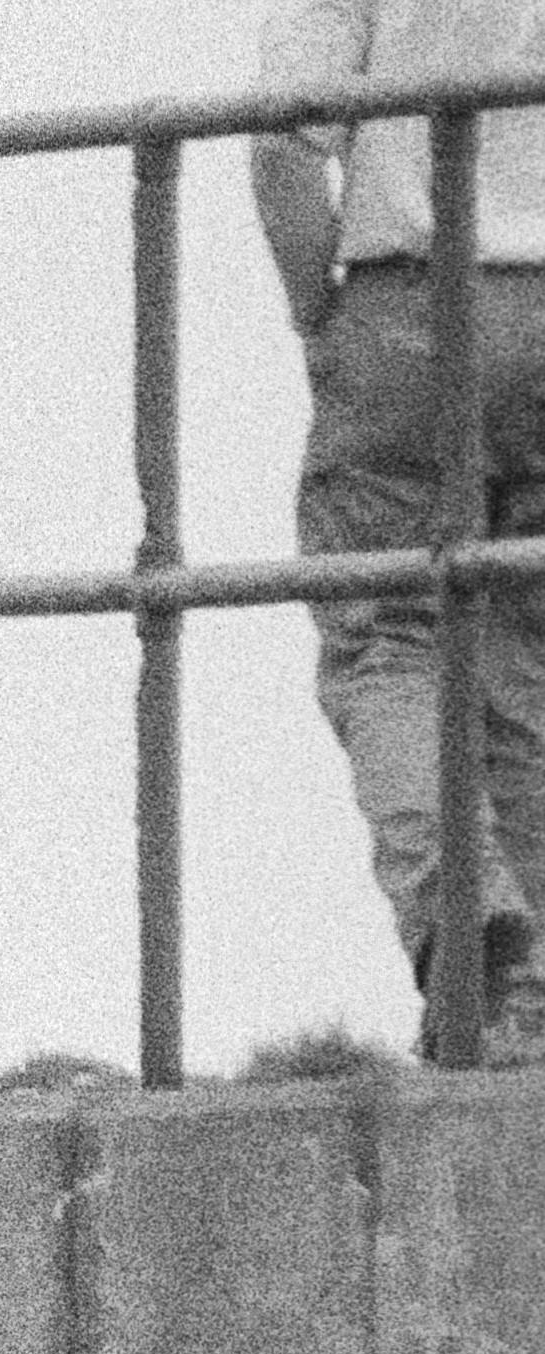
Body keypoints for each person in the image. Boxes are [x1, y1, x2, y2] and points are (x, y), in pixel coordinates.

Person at [260, 0, 545, 1059]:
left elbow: (285, 141)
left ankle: (483, 944)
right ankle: (531, 1000)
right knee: (525, 650)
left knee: (389, 634)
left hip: (414, 304)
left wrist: (315, 315)